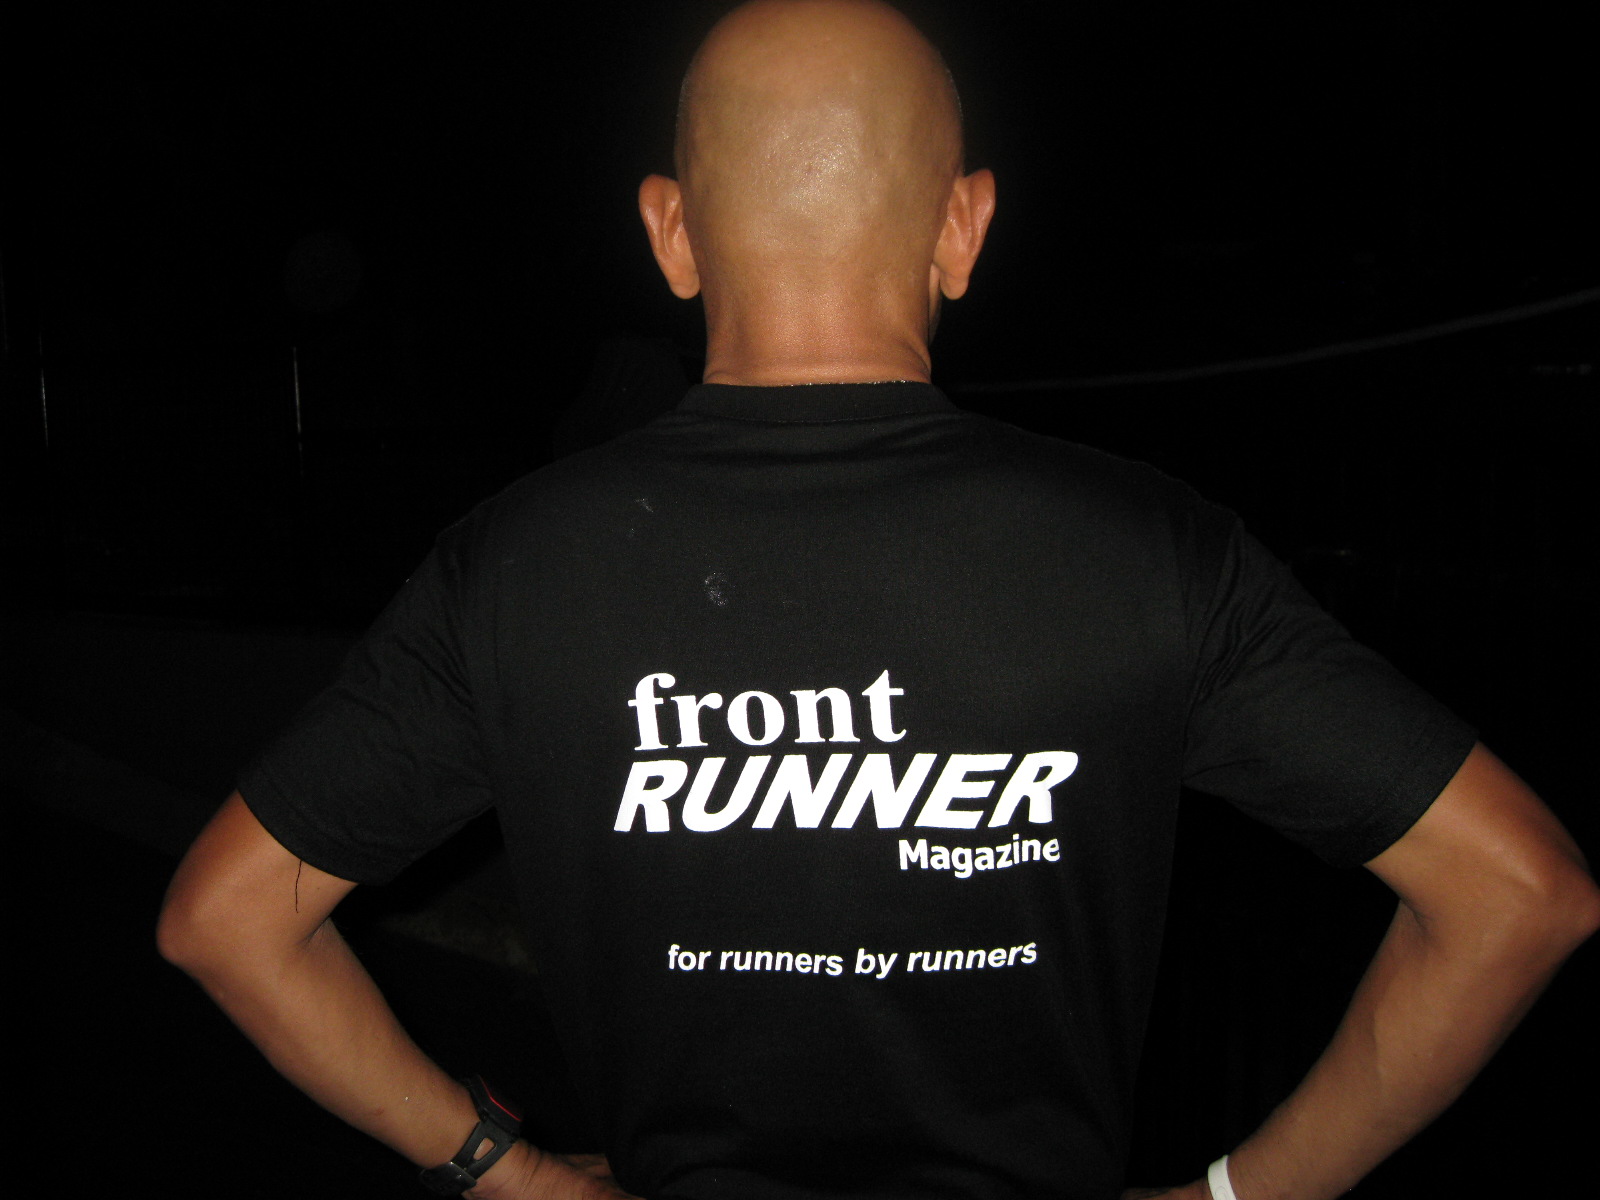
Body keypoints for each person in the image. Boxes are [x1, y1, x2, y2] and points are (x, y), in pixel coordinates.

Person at [156, 2, 1599, 1198]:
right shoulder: (1154, 553)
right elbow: (1519, 896)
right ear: (965, 227)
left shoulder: (515, 564)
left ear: (670, 232)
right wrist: (1241, 1193)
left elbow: (224, 921)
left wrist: (508, 1175)